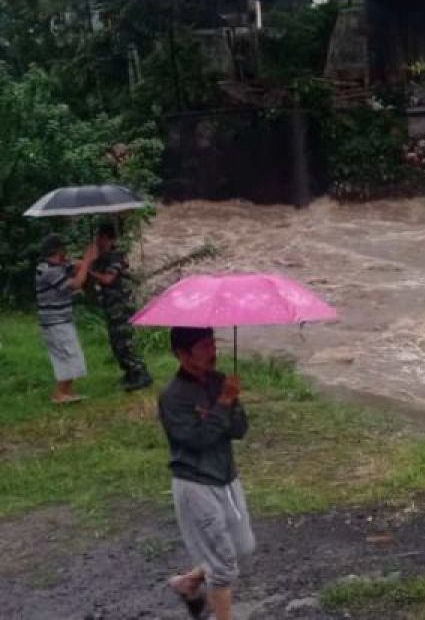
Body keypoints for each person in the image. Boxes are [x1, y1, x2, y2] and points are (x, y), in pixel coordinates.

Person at [160, 327, 254, 620]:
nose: (213, 351)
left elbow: (238, 431)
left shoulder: (217, 381)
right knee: (223, 566)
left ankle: (188, 584)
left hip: (226, 475)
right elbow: (195, 441)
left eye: (213, 343)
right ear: (183, 354)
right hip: (195, 482)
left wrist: (233, 400)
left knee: (243, 546)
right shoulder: (173, 397)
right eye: (204, 346)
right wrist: (224, 403)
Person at [89, 223, 153, 391]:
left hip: (121, 307)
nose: (99, 243)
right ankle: (130, 373)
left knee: (125, 342)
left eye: (101, 239)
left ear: (111, 240)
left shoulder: (117, 257)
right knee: (116, 342)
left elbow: (108, 279)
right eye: (98, 240)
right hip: (111, 307)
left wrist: (89, 271)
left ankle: (141, 373)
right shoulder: (102, 259)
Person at [35, 234, 97, 404]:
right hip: (56, 323)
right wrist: (86, 261)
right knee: (71, 355)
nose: (66, 251)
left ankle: (66, 391)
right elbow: (76, 284)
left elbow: (74, 266)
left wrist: (85, 261)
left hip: (58, 321)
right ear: (56, 250)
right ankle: (60, 393)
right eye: (63, 248)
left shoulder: (55, 265)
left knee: (65, 356)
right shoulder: (49, 271)